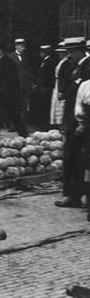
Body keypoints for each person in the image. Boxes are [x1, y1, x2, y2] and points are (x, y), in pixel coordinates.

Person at [56, 37, 89, 208]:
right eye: (67, 52)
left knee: (74, 158)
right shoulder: (75, 66)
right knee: (73, 158)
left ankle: (74, 196)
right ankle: (73, 195)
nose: (68, 56)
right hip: (73, 119)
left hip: (80, 121)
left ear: (81, 50)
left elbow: (77, 91)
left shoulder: (87, 66)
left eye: (71, 52)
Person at [0, 42, 28, 140]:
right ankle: (23, 134)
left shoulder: (1, 62)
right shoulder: (9, 61)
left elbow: (2, 80)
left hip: (2, 94)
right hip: (8, 93)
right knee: (13, 115)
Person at [73, 77, 90, 221]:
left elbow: (79, 110)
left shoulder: (85, 85)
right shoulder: (85, 85)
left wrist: (82, 124)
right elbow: (79, 109)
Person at [7, 38, 35, 121]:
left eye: (24, 46)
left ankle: (22, 124)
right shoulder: (10, 57)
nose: (24, 48)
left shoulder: (26, 57)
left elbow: (29, 71)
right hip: (14, 85)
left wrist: (32, 82)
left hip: (25, 85)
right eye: (22, 46)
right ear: (16, 46)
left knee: (23, 105)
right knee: (14, 104)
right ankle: (13, 125)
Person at [35, 45, 59, 129]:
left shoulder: (49, 62)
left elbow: (49, 76)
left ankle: (46, 125)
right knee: (43, 106)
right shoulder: (44, 61)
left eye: (42, 52)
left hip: (46, 89)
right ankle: (43, 124)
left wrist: (46, 87)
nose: (40, 54)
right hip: (42, 88)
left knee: (46, 107)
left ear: (45, 52)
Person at [50, 43, 68, 127]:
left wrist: (61, 89)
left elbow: (63, 77)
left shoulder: (65, 62)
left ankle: (60, 123)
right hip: (57, 84)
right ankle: (57, 124)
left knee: (61, 104)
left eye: (61, 52)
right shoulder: (61, 62)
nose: (59, 54)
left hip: (61, 85)